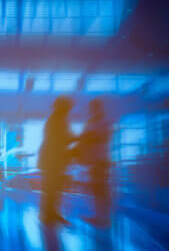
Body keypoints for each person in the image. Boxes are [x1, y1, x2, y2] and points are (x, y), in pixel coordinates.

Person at [38, 96, 75, 225]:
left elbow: (64, 138)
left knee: (53, 188)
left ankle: (50, 214)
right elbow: (61, 140)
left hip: (53, 160)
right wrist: (80, 139)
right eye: (67, 107)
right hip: (52, 161)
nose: (68, 110)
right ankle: (48, 215)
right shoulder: (56, 120)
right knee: (52, 188)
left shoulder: (57, 119)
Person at [77, 98, 113, 227]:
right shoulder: (93, 122)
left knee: (101, 189)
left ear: (98, 108)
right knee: (97, 189)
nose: (91, 110)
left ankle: (103, 218)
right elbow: (86, 138)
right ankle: (99, 216)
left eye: (93, 108)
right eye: (91, 108)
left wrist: (88, 137)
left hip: (101, 160)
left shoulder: (103, 122)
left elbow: (100, 137)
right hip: (95, 161)